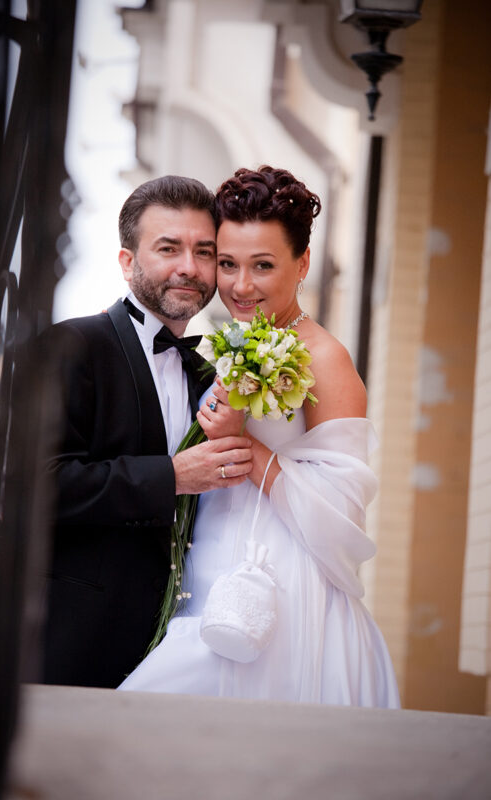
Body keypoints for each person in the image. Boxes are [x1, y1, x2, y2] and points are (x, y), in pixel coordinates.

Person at [118, 166, 400, 707]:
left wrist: (245, 447)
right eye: (227, 264)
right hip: (209, 572)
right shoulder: (236, 343)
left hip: (278, 589)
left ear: (303, 264)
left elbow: (343, 515)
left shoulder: (325, 359)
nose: (241, 286)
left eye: (263, 265)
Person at [42, 175, 253, 688]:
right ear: (127, 261)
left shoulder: (209, 374)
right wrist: (171, 476)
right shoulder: (72, 346)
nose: (189, 267)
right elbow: (39, 484)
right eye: (168, 248)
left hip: (178, 650)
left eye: (205, 252)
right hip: (74, 640)